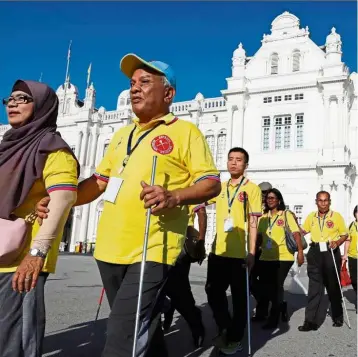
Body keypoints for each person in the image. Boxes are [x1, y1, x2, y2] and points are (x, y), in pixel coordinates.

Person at [36, 53, 221, 357]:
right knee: (141, 327)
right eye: (133, 83)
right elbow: (98, 182)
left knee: (121, 333)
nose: (135, 88)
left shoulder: (185, 132)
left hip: (152, 249)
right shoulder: (122, 134)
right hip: (109, 250)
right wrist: (61, 198)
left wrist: (173, 196)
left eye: (145, 82)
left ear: (168, 93)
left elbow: (211, 182)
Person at [0, 80, 79, 357]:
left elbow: (64, 197)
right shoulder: (8, 146)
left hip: (22, 261)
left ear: (42, 106)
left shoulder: (52, 148)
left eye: (23, 98)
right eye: (9, 99)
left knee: (14, 342)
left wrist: (37, 253)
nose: (12, 103)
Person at [205, 147, 262, 355]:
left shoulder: (252, 189)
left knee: (239, 298)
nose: (233, 163)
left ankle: (235, 338)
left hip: (240, 254)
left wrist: (252, 252)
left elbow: (254, 222)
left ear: (245, 165)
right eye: (230, 159)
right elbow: (199, 202)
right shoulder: (219, 187)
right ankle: (226, 327)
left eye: (238, 160)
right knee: (212, 291)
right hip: (218, 251)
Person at [298, 191, 348, 331]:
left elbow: (344, 234)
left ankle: (338, 317)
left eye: (326, 200)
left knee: (333, 286)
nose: (323, 203)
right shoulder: (311, 217)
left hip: (330, 251)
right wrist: (295, 229)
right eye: (320, 200)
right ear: (316, 202)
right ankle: (310, 321)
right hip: (315, 252)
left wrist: (337, 242)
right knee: (314, 288)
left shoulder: (336, 217)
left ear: (329, 202)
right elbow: (303, 231)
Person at [257, 188, 304, 329]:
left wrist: (300, 252)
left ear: (279, 200)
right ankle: (281, 306)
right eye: (268, 198)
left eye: (273, 198)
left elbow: (296, 234)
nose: (270, 200)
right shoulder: (263, 217)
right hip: (265, 256)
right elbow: (259, 237)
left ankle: (273, 319)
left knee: (277, 286)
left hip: (284, 256)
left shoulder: (286, 215)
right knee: (266, 287)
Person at [163, 204, 207, 348]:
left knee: (179, 291)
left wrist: (201, 241)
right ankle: (167, 308)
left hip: (179, 245)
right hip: (155, 242)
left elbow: (201, 212)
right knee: (157, 287)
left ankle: (196, 323)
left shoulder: (188, 184)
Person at [251, 181, 273, 321]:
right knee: (250, 280)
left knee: (265, 282)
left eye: (266, 192)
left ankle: (262, 312)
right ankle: (265, 302)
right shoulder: (254, 206)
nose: (264, 195)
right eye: (262, 192)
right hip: (254, 249)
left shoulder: (274, 208)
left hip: (267, 250)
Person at [342, 205, 357, 301]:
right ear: (355, 214)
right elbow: (347, 241)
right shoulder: (351, 225)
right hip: (353, 257)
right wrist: (345, 254)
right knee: (354, 280)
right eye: (357, 212)